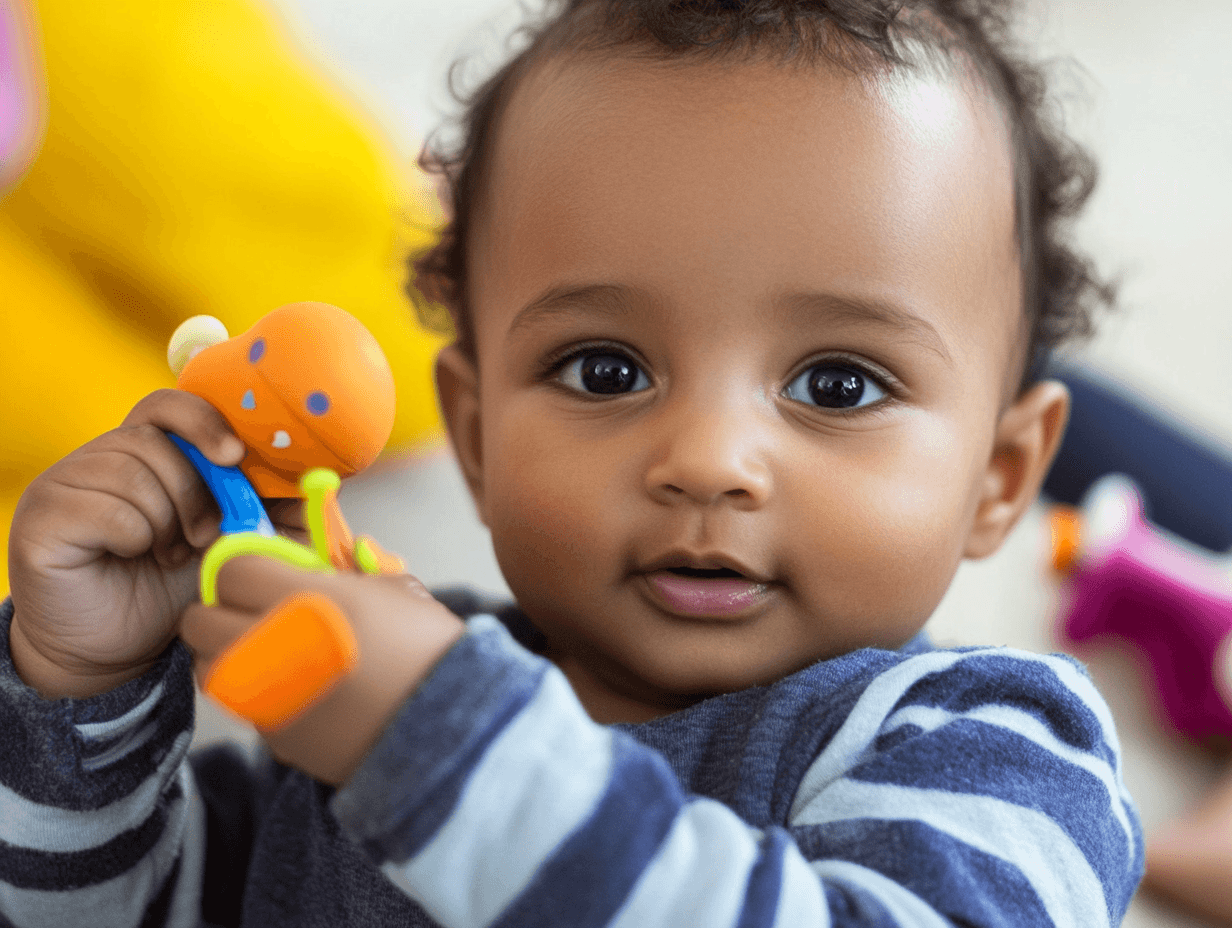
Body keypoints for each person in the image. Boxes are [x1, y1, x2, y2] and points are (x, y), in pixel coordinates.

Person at [0, 0, 1144, 925]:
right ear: (478, 435)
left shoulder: (987, 754)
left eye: (835, 384)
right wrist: (76, 689)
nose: (706, 461)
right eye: (605, 370)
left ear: (998, 476)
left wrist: (442, 747)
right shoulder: (374, 687)